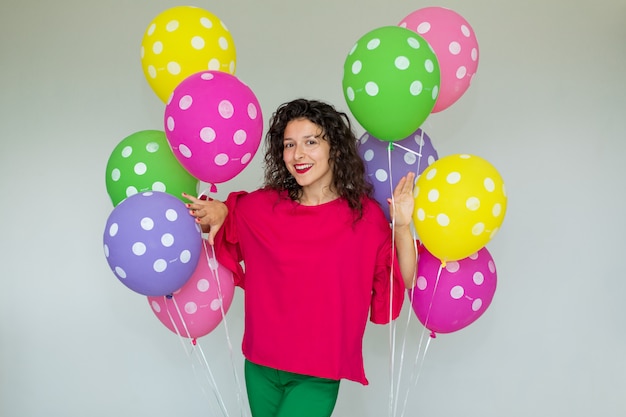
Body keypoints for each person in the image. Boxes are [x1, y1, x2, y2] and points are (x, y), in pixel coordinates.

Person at [183, 98, 417, 417]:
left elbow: (405, 278)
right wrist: (219, 210)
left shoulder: (366, 219)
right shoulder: (264, 206)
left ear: (334, 148)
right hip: (260, 364)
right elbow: (231, 213)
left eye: (310, 142)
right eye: (289, 144)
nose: (298, 155)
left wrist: (402, 227)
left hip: (318, 372)